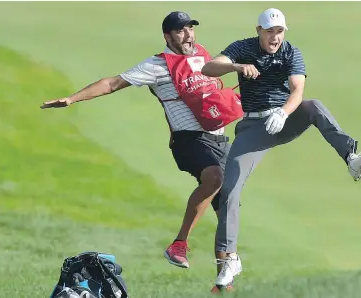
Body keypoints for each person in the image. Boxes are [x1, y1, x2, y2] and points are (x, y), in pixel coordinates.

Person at [40, 11, 240, 284]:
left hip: (219, 141)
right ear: (167, 36)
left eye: (191, 29)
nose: (188, 35)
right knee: (214, 178)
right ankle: (179, 244)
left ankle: (223, 285)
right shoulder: (157, 65)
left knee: (227, 211)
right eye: (181, 31)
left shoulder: (206, 57)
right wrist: (72, 99)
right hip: (188, 141)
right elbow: (113, 83)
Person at [201, 7, 361, 288]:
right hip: (253, 128)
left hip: (283, 118)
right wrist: (237, 66)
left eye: (279, 31)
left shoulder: (291, 52)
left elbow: (298, 90)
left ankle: (352, 158)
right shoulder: (243, 48)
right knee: (230, 190)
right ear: (259, 31)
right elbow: (208, 67)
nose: (275, 37)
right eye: (269, 31)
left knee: (314, 107)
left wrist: (283, 113)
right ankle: (229, 260)